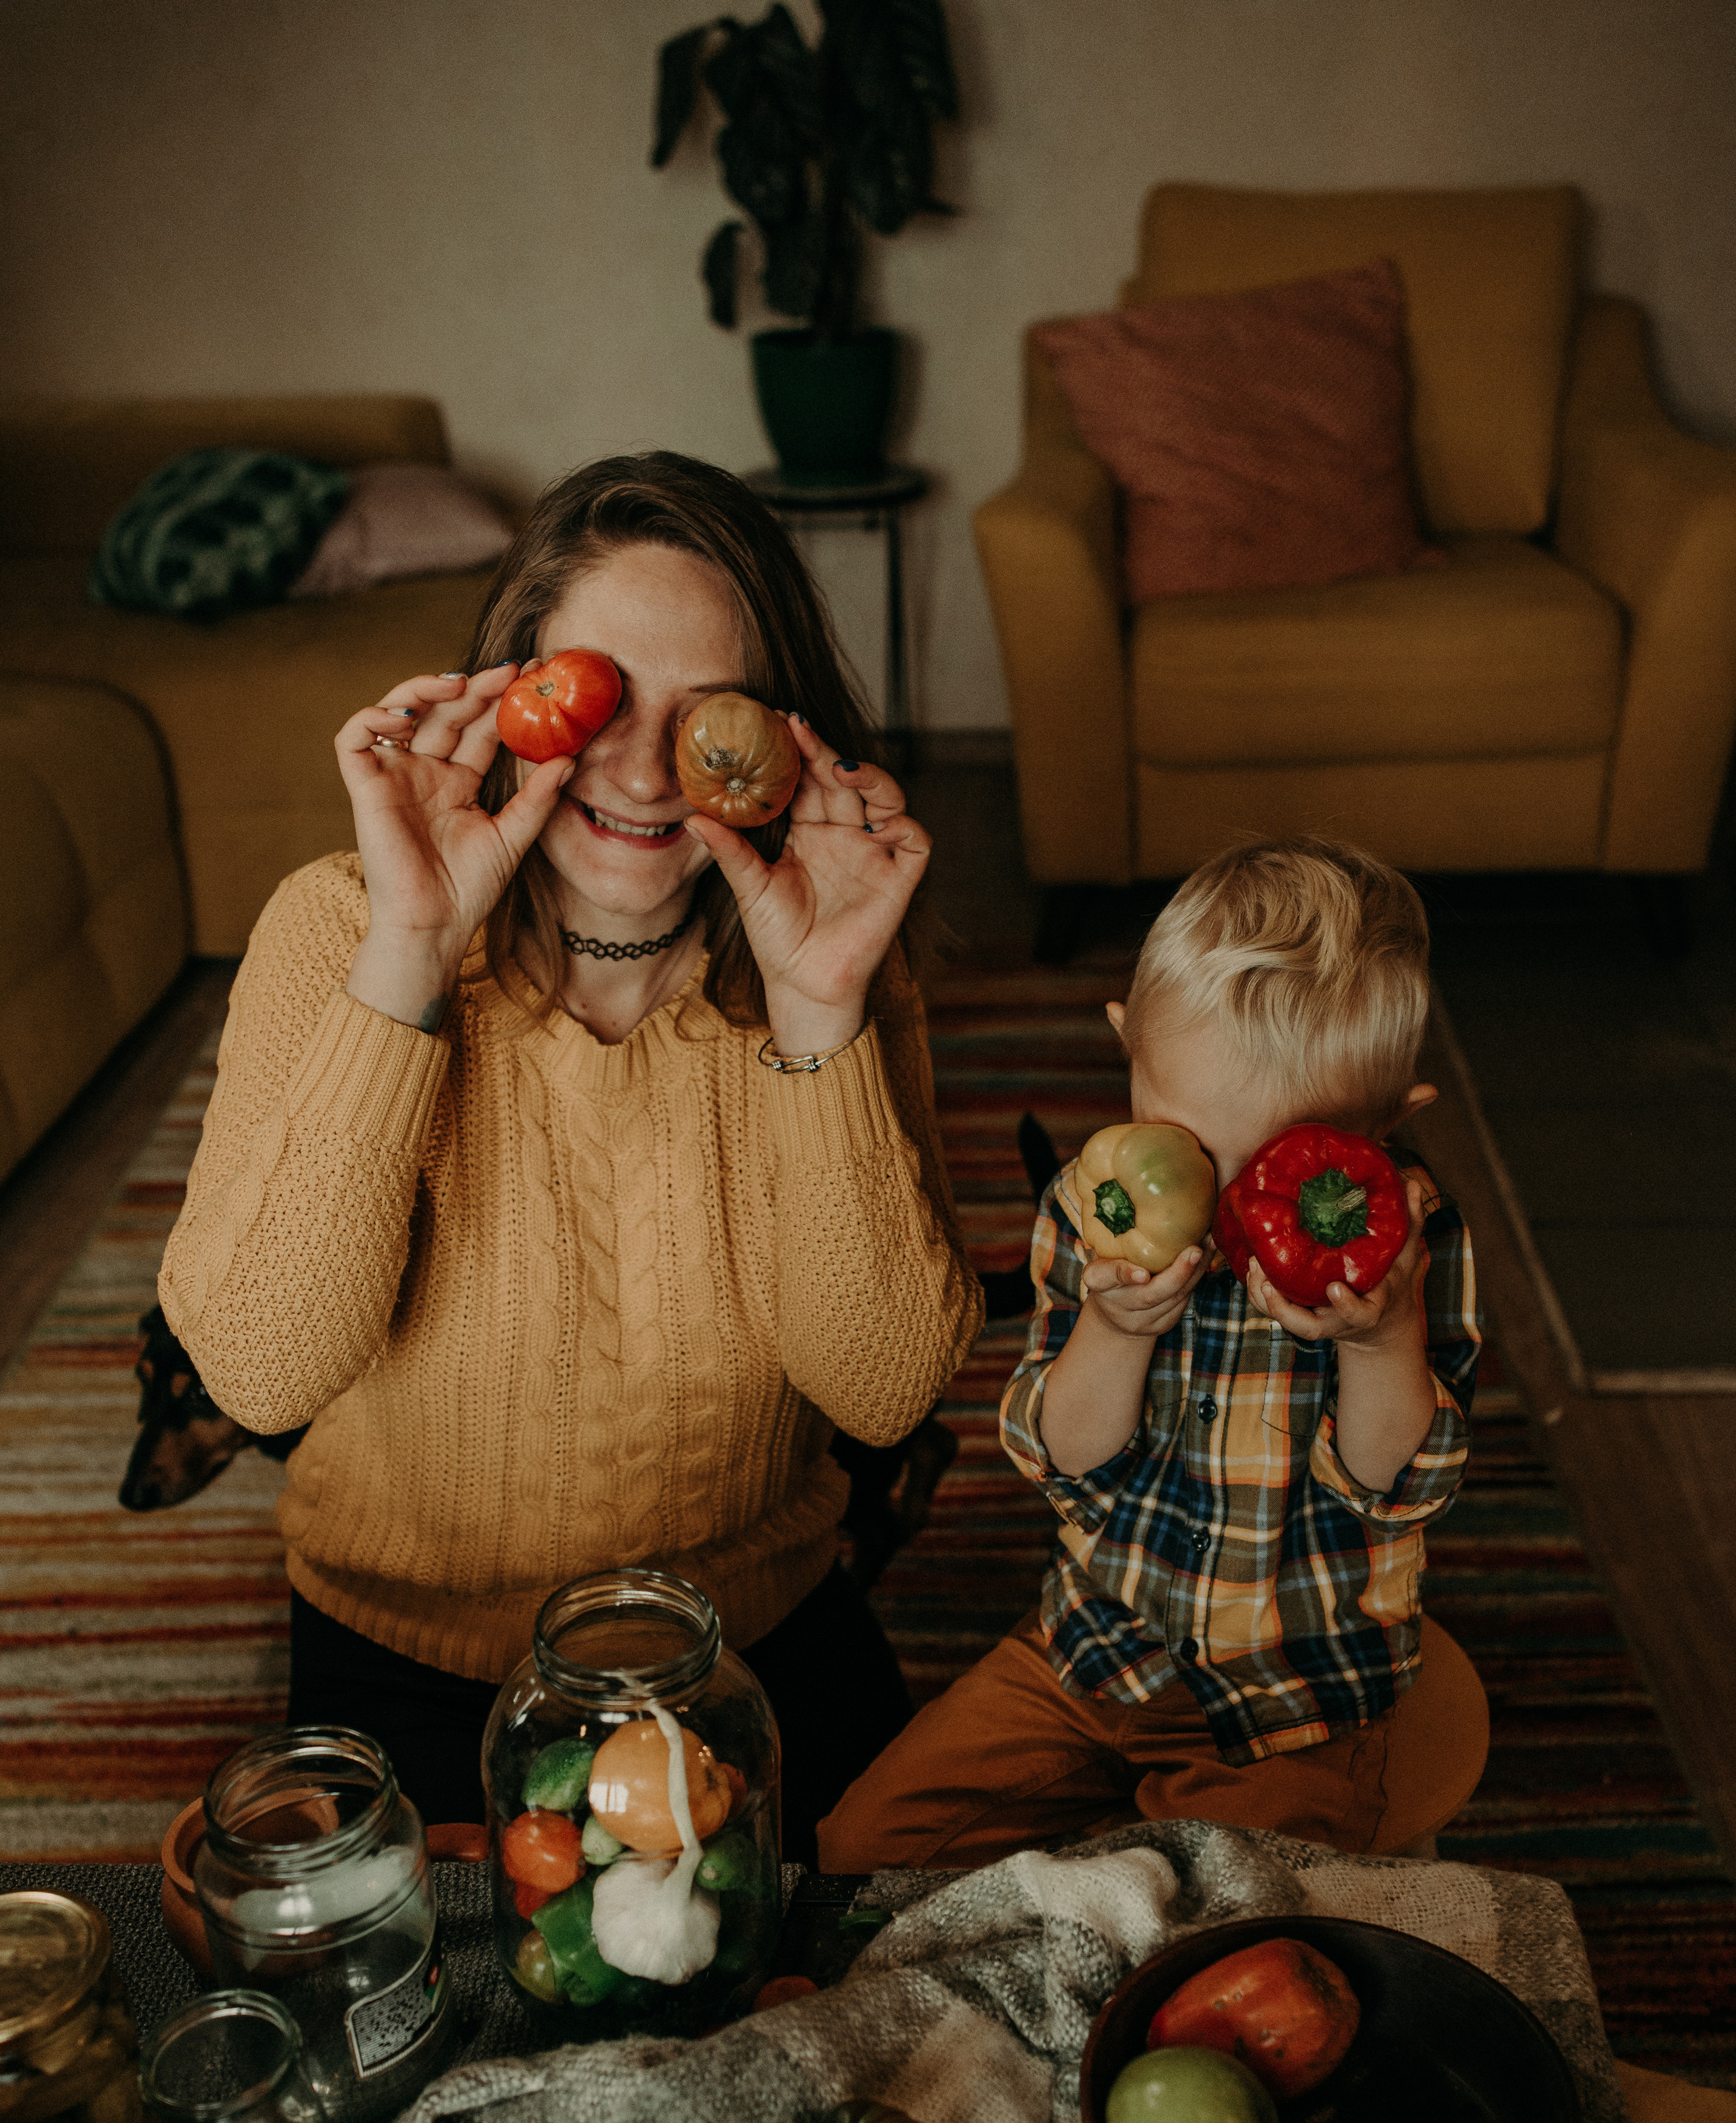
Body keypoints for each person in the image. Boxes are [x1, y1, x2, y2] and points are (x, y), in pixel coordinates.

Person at [159, 452, 982, 1855]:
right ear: (509, 690)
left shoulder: (828, 958)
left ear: (778, 735)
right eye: (599, 695)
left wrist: (820, 1007)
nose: (648, 770)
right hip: (417, 1660)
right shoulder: (336, 926)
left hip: (750, 1641)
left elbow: (887, 1384)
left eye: (704, 713)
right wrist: (408, 957)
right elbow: (258, 1366)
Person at [817, 839, 1488, 1871]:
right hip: (1092, 1653)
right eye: (1183, 1138)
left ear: (1389, 1128)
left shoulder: (1407, 1242)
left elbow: (1394, 1484)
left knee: (1228, 1931)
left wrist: (1380, 1339)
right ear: (1127, 1048)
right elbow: (1068, 1458)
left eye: (1272, 1161)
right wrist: (1118, 1329)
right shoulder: (1095, 1209)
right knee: (860, 1854)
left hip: (1299, 1692)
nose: (1221, 1204)